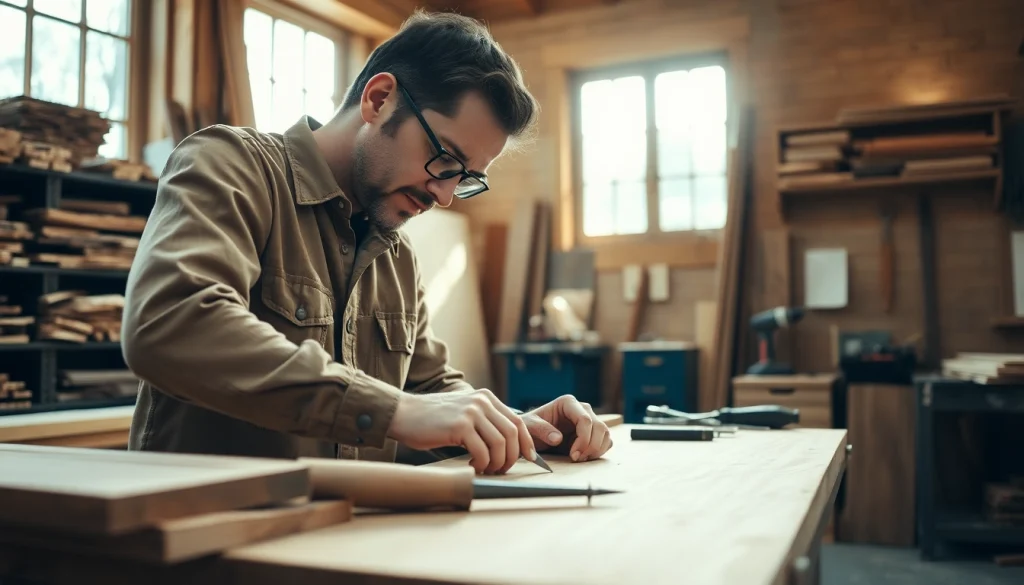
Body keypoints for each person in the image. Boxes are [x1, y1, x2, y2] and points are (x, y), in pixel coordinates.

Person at [121, 10, 614, 475]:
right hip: (203, 544)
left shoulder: (395, 254)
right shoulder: (232, 165)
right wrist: (390, 409)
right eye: (444, 160)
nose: (444, 196)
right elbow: (171, 321)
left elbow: (428, 389)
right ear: (379, 100)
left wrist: (518, 426)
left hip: (342, 537)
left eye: (465, 179)